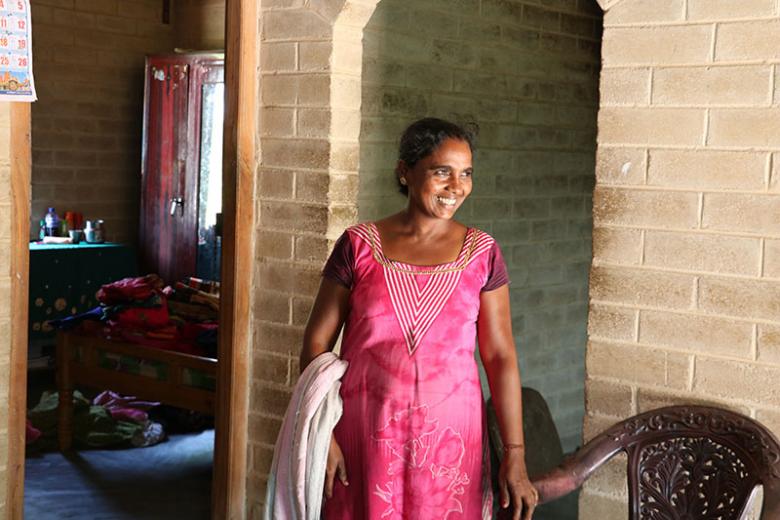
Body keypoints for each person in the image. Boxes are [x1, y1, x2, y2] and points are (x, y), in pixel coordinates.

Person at [300, 117, 538, 519]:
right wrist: (322, 436)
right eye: (442, 172)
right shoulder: (358, 246)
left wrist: (515, 453)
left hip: (451, 444)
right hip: (364, 436)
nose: (456, 187)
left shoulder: (483, 254)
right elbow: (315, 344)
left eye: (465, 174)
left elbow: (500, 357)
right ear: (404, 171)